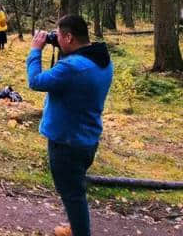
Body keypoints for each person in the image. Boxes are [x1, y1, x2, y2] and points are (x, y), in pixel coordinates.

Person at [26, 15, 113, 236]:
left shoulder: (72, 68)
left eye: (59, 35)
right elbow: (72, 73)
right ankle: (75, 228)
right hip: (87, 137)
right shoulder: (101, 59)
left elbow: (35, 81)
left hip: (67, 142)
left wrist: (36, 50)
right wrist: (61, 44)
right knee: (74, 189)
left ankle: (80, 232)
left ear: (69, 37)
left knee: (73, 195)